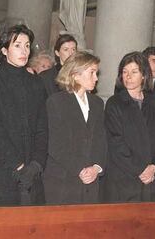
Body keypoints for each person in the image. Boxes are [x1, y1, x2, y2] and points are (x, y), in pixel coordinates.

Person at [0, 24, 48, 207]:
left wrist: (36, 164)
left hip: (31, 171)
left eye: (27, 45)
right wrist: (17, 165)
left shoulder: (36, 84)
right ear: (4, 50)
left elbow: (42, 128)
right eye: (17, 45)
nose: (24, 50)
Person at [43, 52, 107, 204]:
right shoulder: (56, 102)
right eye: (92, 73)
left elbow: (101, 141)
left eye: (96, 73)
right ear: (75, 75)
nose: (96, 78)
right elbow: (55, 145)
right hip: (63, 181)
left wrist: (96, 168)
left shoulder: (97, 103)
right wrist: (80, 169)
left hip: (91, 181)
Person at [103, 52, 155, 203]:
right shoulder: (115, 103)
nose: (128, 76)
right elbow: (115, 142)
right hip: (124, 180)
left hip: (151, 179)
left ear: (144, 75)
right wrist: (140, 169)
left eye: (134, 72)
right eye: (124, 72)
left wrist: (153, 167)